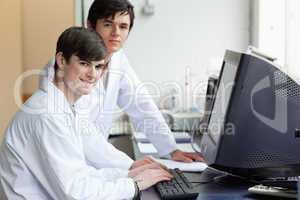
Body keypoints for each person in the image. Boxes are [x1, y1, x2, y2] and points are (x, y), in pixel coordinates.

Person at [0, 27, 172, 199]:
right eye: (84, 63)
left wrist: (128, 174)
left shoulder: (63, 107)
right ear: (61, 60)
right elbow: (76, 192)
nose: (92, 75)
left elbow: (82, 173)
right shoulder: (48, 115)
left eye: (98, 66)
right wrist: (134, 185)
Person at [40, 0, 203, 164]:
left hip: (94, 163)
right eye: (108, 24)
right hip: (67, 163)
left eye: (123, 26)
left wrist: (171, 149)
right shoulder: (63, 69)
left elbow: (142, 105)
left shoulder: (118, 59)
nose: (115, 33)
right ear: (89, 25)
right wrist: (131, 166)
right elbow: (81, 133)